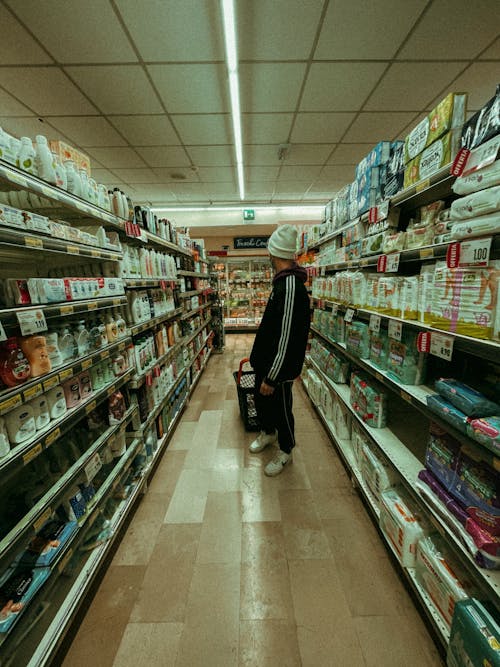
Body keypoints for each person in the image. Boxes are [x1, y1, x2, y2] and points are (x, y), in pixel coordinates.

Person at [248, 224, 310, 476]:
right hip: (267, 363)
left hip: (279, 369)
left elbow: (286, 337)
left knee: (282, 409)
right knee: (263, 403)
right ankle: (268, 433)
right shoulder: (282, 283)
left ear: (275, 253)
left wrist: (273, 376)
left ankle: (285, 449)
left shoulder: (291, 286)